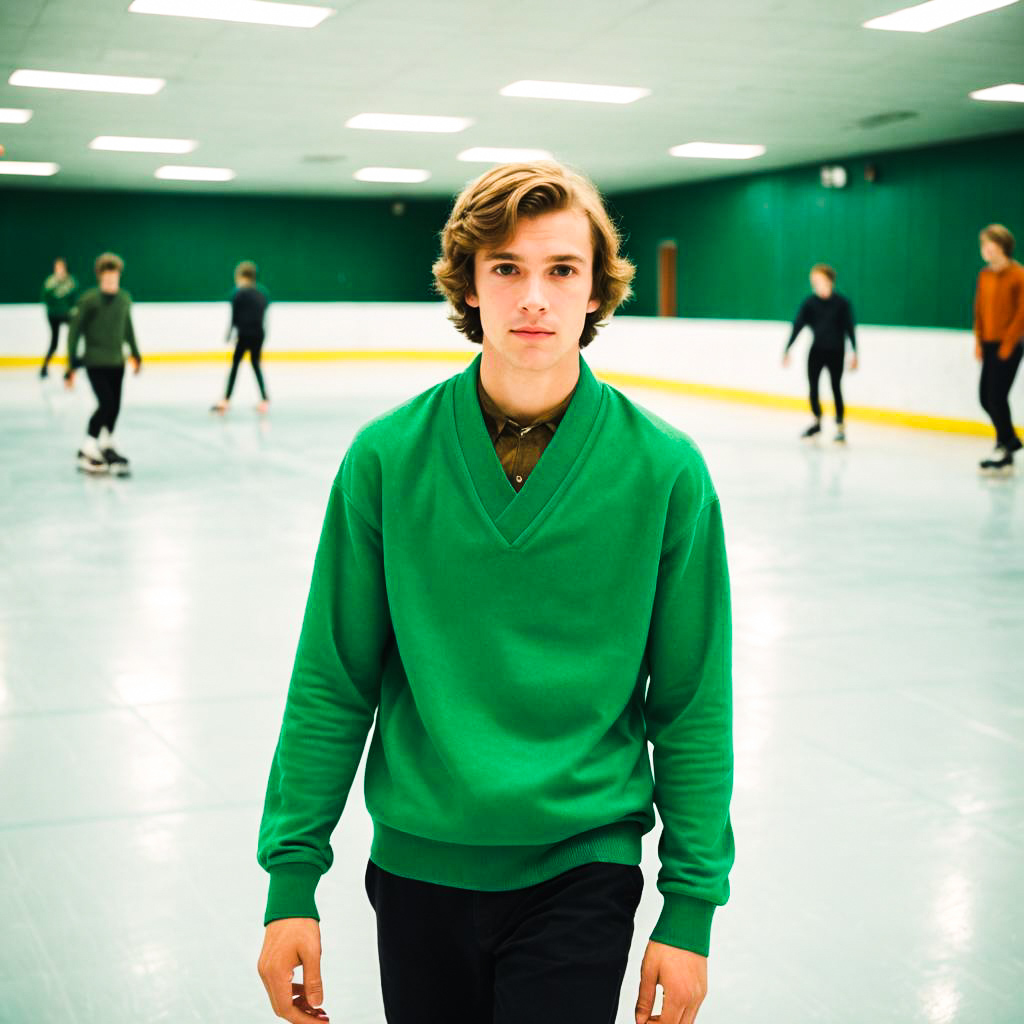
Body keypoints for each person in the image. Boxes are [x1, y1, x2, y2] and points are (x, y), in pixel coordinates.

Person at [256, 162, 735, 1024]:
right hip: (418, 865)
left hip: (583, 862)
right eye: (506, 268)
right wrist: (292, 878)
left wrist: (690, 907)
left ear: (596, 292)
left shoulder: (667, 472)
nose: (534, 298)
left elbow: (694, 703)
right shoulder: (385, 460)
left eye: (561, 270)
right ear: (469, 286)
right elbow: (333, 678)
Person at [65, 252, 141, 475]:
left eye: (114, 280)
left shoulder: (124, 299)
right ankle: (88, 446)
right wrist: (70, 365)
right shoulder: (89, 300)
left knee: (115, 405)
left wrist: (136, 354)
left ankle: (106, 443)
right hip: (95, 361)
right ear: (100, 278)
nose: (111, 284)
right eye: (107, 280)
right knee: (106, 403)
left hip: (117, 361)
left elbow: (127, 328)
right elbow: (74, 331)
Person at [782, 264, 858, 442]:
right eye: (814, 281)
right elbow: (798, 325)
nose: (816, 284)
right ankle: (816, 421)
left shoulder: (842, 303)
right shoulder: (810, 303)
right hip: (817, 351)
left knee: (835, 387)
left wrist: (855, 353)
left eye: (819, 280)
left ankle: (840, 425)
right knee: (813, 388)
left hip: (836, 351)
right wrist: (788, 348)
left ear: (829, 280)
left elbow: (849, 328)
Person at [974, 224, 1024, 474]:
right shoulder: (984, 275)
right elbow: (979, 309)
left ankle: (1003, 448)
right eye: (983, 245)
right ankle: (1009, 441)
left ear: (1002, 246)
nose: (985, 249)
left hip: (1011, 345)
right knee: (985, 397)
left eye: (989, 244)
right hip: (989, 344)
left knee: (997, 396)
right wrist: (979, 341)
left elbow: (1021, 314)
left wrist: (1009, 344)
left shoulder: (1018, 275)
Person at [211, 260, 270, 414]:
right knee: (256, 364)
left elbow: (235, 318)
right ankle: (264, 399)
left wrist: (229, 334)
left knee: (235, 365)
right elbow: (263, 316)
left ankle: (226, 399)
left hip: (244, 335)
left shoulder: (237, 294)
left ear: (241, 276)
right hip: (258, 334)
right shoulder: (262, 294)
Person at [40, 257, 78, 378]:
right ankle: (44, 367)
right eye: (57, 267)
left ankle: (70, 367)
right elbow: (46, 299)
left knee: (72, 340)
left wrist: (71, 310)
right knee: (54, 343)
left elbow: (74, 299)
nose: (59, 270)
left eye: (61, 267)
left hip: (67, 315)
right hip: (54, 316)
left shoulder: (70, 282)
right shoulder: (50, 282)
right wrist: (53, 310)